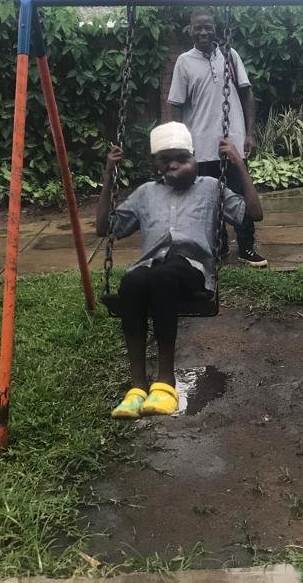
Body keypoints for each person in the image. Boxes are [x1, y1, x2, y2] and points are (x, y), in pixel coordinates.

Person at [96, 122, 263, 419]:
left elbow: (253, 213)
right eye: (165, 160)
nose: (173, 165)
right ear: (156, 164)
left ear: (194, 157)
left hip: (191, 269)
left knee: (163, 277)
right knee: (133, 281)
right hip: (151, 265)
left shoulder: (211, 188)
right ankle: (136, 387)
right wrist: (109, 174)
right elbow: (103, 228)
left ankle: (165, 381)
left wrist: (238, 163)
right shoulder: (146, 193)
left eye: (182, 159)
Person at [169, 8, 267, 267]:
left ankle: (246, 247)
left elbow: (247, 93)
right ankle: (219, 245)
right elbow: (176, 105)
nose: (203, 32)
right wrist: (178, 144)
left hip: (232, 141)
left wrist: (249, 133)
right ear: (190, 30)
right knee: (208, 199)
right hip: (199, 144)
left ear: (215, 28)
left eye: (207, 27)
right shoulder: (184, 62)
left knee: (241, 194)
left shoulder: (230, 55)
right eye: (198, 27)